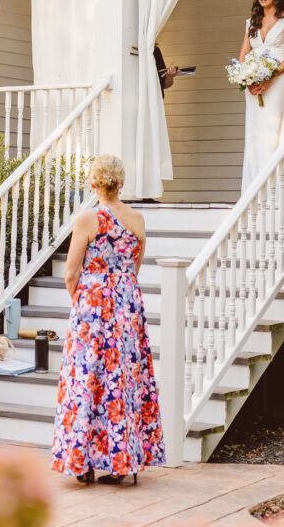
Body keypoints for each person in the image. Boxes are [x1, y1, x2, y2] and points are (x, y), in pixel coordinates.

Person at [51, 154, 165, 485]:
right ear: (122, 183)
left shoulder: (89, 218)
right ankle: (121, 461)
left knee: (87, 379)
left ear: (93, 183)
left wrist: (82, 300)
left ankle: (83, 461)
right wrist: (119, 292)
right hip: (127, 304)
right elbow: (134, 267)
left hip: (93, 305)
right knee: (123, 379)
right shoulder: (138, 219)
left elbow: (71, 272)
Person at [239, 0, 284, 193]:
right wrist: (248, 79)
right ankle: (255, 190)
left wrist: (271, 77)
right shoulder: (251, 23)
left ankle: (277, 191)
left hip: (277, 82)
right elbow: (243, 56)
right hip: (254, 86)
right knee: (255, 133)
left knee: (273, 132)